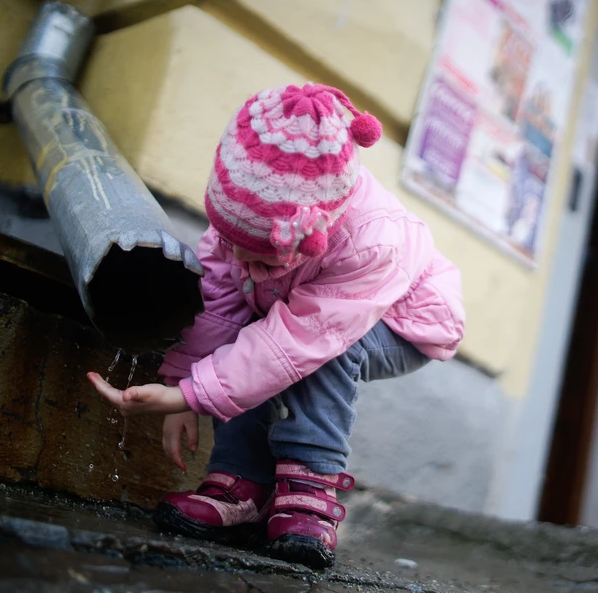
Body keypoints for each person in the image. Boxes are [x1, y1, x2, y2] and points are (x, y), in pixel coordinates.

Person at [86, 83, 466, 569]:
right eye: (230, 236)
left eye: (255, 248)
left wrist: (193, 396)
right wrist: (179, 379)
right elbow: (219, 303)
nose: (237, 254)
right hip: (312, 308)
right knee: (253, 331)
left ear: (310, 230)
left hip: (406, 321)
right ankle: (240, 483)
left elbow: (302, 341)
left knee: (321, 351)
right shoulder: (246, 213)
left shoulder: (373, 241)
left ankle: (310, 485)